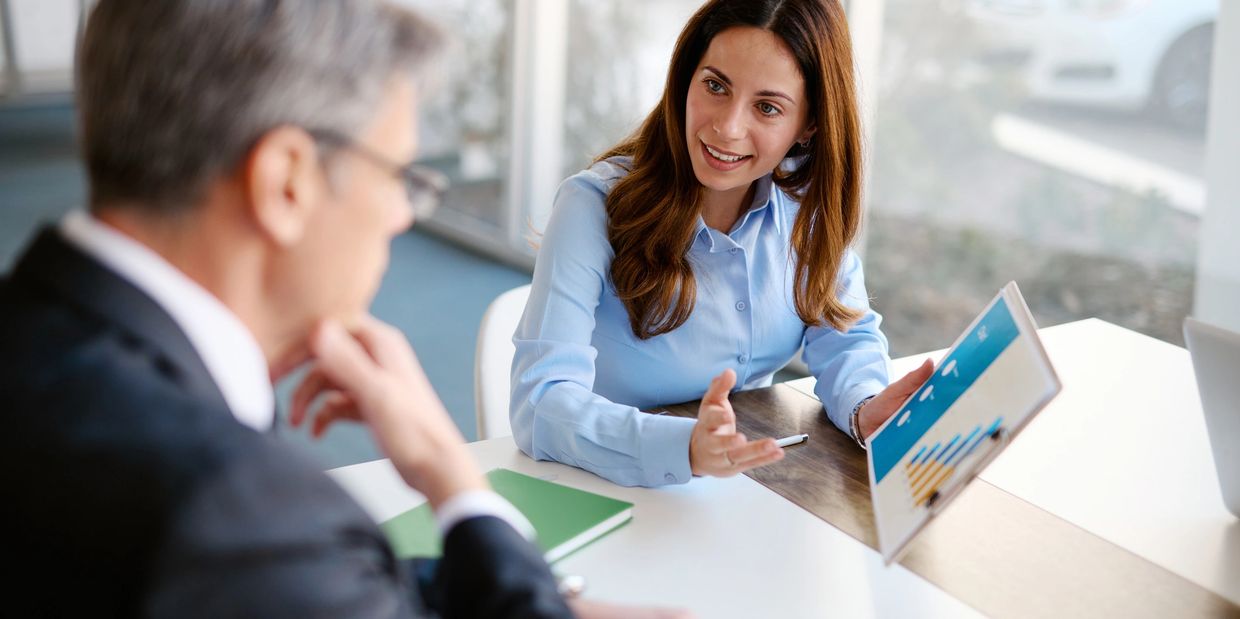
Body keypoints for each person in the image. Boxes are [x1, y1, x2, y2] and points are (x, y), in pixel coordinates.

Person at [0, 2, 685, 617]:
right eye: (400, 177)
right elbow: (269, 563)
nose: (398, 216)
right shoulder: (234, 506)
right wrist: (449, 473)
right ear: (286, 181)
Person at [511, 0, 934, 488]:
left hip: (741, 491)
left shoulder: (804, 213)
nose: (727, 127)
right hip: (601, 488)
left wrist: (865, 406)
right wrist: (681, 446)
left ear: (809, 125)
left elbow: (843, 334)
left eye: (768, 107)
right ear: (686, 78)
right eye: (715, 86)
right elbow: (539, 403)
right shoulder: (592, 205)